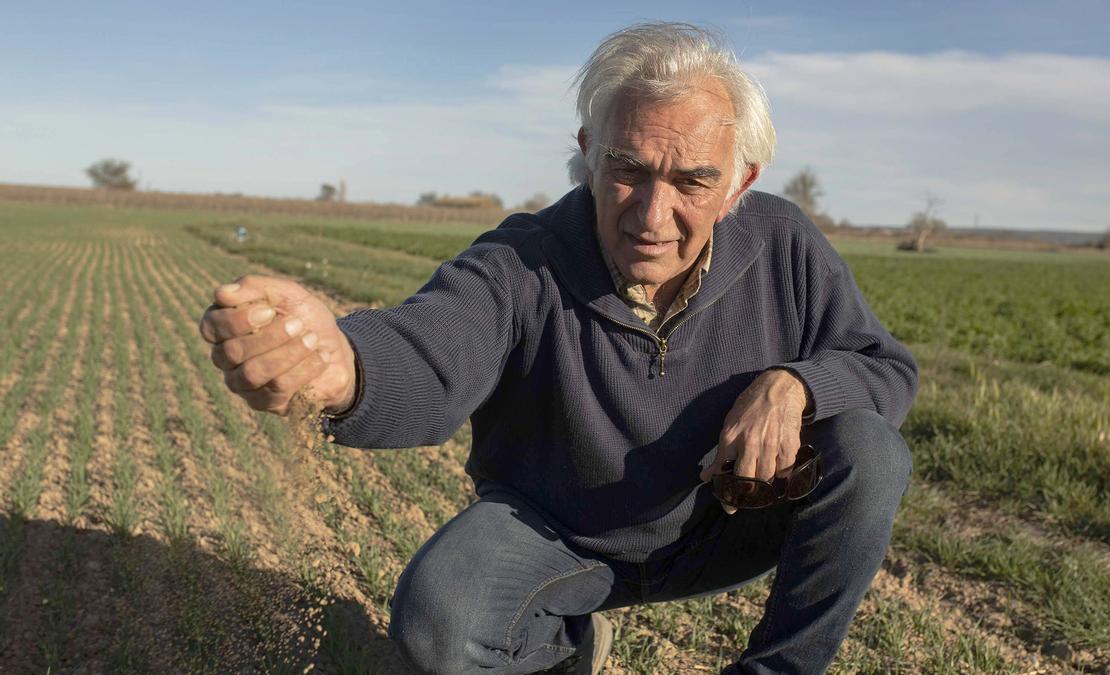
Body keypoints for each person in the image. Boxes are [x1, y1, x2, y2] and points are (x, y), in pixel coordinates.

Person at [199, 22, 916, 674]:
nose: (651, 215)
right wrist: (343, 365)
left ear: (737, 185)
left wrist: (797, 385)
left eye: (692, 181)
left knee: (869, 449)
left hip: (718, 525)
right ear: (588, 154)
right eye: (628, 169)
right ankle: (565, 650)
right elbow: (437, 344)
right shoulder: (523, 261)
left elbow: (883, 367)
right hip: (558, 536)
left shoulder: (783, 245)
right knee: (437, 622)